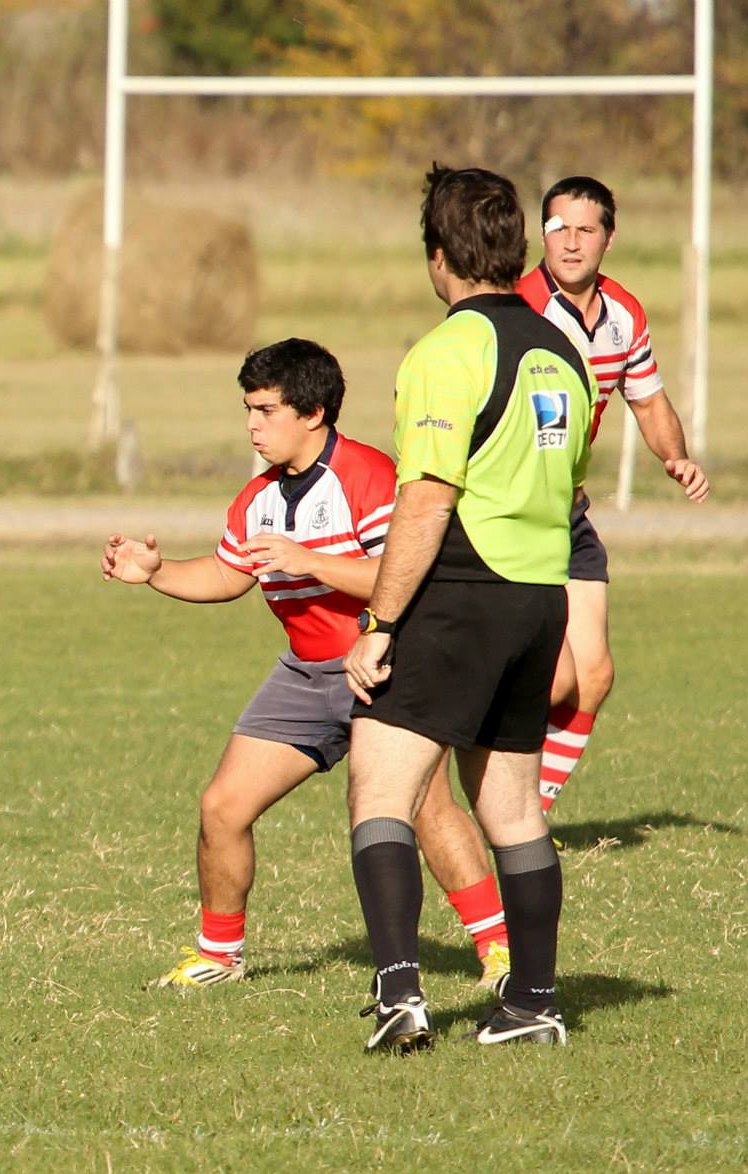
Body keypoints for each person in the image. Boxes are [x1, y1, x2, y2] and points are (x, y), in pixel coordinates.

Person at [104, 339, 510, 992]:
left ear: (314, 412)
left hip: (389, 661)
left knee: (425, 806)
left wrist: (311, 561)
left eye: (266, 410)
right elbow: (226, 574)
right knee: (222, 807)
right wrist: (155, 573)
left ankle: (500, 950)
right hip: (306, 672)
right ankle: (220, 954)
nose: (252, 425)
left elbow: (402, 572)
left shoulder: (372, 477)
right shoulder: (257, 497)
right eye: (248, 409)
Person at [343, 165, 595, 1052]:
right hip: (538, 596)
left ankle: (400, 993)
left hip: (458, 592)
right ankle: (532, 1001)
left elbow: (426, 500)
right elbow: (568, 488)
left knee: (380, 785)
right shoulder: (565, 349)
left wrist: (377, 626)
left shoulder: (447, 352)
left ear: (440, 256)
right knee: (514, 808)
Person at [516, 176, 710, 811]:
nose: (570, 243)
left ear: (608, 237)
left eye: (585, 230)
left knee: (592, 676)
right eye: (557, 229)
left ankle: (527, 818)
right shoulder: (519, 309)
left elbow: (647, 398)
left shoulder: (624, 312)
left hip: (567, 510)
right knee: (554, 680)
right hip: (512, 514)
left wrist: (675, 456)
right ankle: (473, 782)